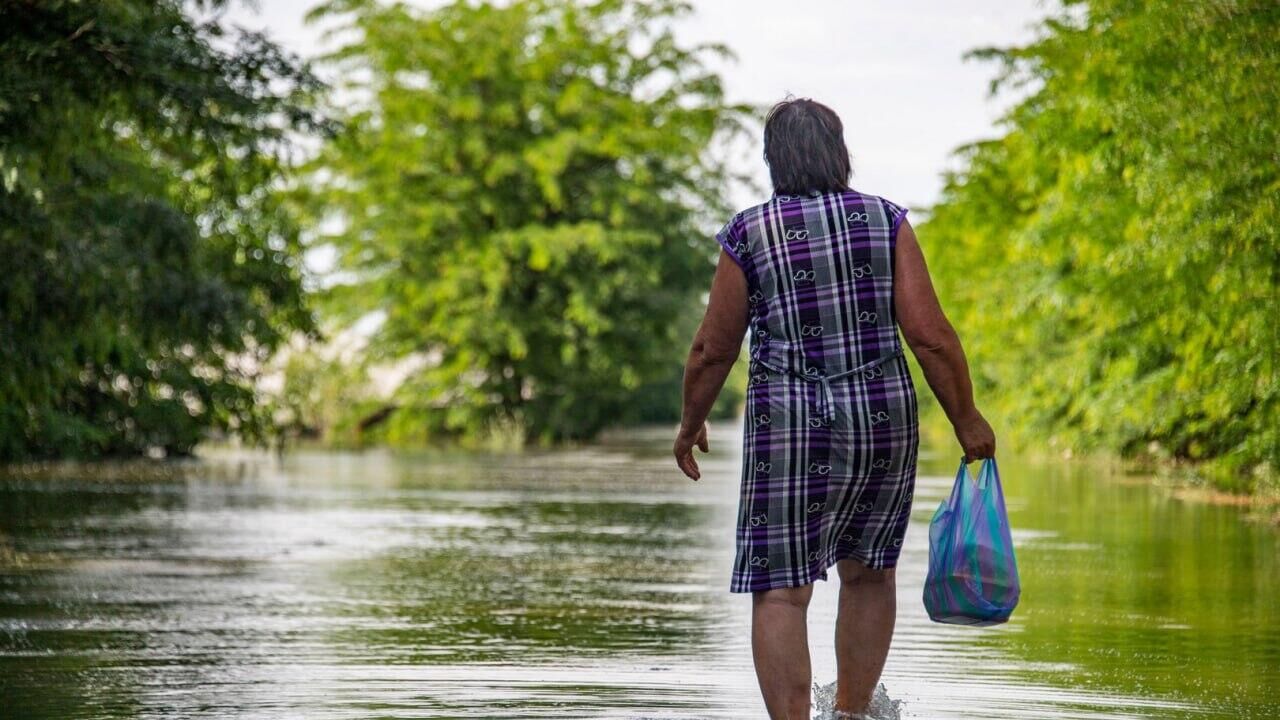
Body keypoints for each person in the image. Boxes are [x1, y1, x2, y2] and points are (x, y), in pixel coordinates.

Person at [672, 96, 996, 720]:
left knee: (782, 591)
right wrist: (968, 420)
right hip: (883, 420)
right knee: (870, 572)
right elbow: (929, 334)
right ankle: (851, 714)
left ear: (773, 161)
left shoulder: (749, 232)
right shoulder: (886, 220)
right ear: (840, 154)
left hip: (789, 427)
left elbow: (713, 349)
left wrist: (690, 424)